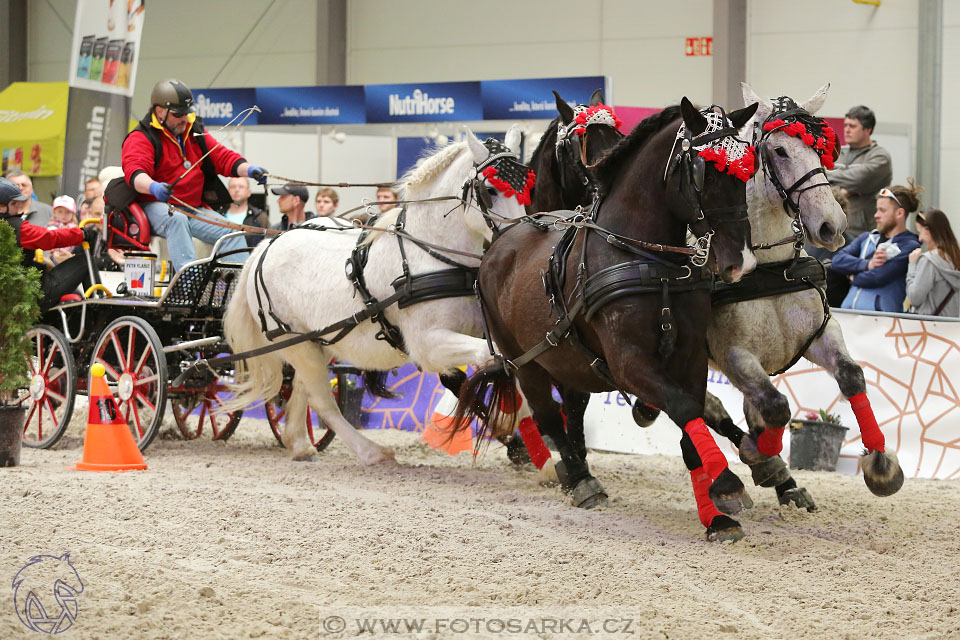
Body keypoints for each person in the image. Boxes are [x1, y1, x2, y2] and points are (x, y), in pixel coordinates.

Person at [121, 78, 269, 272]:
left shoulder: (194, 132)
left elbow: (222, 157)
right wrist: (154, 187)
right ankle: (188, 284)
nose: (184, 118)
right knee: (176, 219)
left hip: (191, 209)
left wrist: (249, 169)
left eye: (187, 113)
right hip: (155, 206)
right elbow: (135, 173)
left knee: (232, 232)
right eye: (178, 114)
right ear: (159, 111)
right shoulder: (141, 137)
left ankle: (237, 292)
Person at [0, 177, 98, 311]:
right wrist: (82, 234)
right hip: (32, 293)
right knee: (85, 261)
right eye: (14, 203)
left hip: (12, 296)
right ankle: (100, 312)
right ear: (1, 206)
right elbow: (50, 238)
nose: (19, 206)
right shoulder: (16, 227)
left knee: (75, 295)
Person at [830, 181, 922, 312]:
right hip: (849, 317)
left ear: (899, 213)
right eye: (877, 209)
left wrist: (852, 276)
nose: (876, 215)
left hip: (881, 323)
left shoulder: (910, 246)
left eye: (882, 210)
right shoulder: (867, 237)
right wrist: (868, 265)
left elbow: (877, 277)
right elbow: (837, 260)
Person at [825, 106, 893, 238]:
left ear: (867, 130)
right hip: (833, 228)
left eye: (852, 126)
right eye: (846, 125)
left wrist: (828, 174)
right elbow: (819, 182)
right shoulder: (838, 153)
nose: (847, 130)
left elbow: (860, 179)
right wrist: (843, 191)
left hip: (862, 232)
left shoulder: (880, 157)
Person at [905, 208, 960, 317]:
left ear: (928, 230)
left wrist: (912, 265)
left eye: (920, 232)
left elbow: (915, 298)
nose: (920, 238)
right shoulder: (955, 258)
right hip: (951, 327)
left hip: (928, 328)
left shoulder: (929, 260)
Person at [222, 177, 270, 247]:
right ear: (227, 191)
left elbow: (266, 244)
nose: (236, 190)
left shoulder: (259, 217)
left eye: (241, 187)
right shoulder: (218, 216)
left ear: (248, 192)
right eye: (233, 187)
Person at [47, 195, 81, 265]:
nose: (64, 215)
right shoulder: (50, 226)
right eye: (60, 211)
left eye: (67, 212)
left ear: (73, 214)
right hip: (51, 257)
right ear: (54, 213)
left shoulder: (75, 229)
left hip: (68, 260)